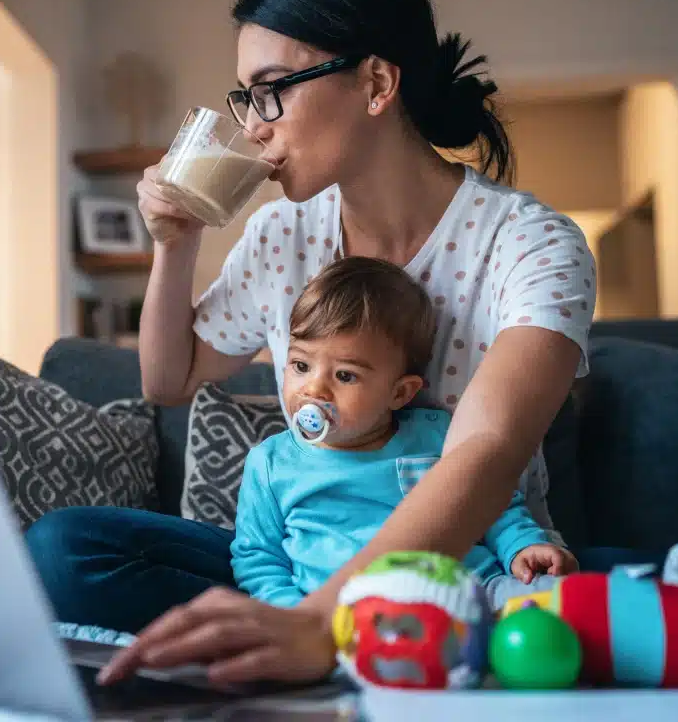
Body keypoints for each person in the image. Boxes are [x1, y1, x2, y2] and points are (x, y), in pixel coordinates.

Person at [25, 0, 666, 686]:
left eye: (272, 94)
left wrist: (323, 620)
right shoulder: (279, 235)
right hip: (305, 571)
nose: (256, 129)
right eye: (246, 99)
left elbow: (484, 451)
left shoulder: (532, 245)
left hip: (470, 567)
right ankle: (300, 637)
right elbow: (169, 380)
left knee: (619, 603)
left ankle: (331, 640)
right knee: (63, 549)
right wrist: (176, 245)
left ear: (376, 83)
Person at [231, 256, 577, 614]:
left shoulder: (438, 435)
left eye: (346, 376)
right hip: (346, 618)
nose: (314, 389)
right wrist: (293, 617)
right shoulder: (270, 464)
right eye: (301, 366)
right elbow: (258, 559)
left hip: (470, 593)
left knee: (558, 601)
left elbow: (492, 505)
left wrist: (522, 546)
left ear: (400, 393)